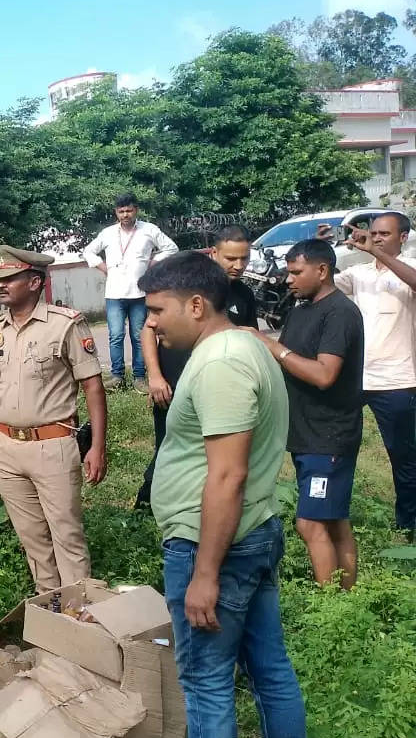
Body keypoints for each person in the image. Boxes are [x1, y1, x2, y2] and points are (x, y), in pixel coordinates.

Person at [122, 251, 310, 738]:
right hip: (252, 533)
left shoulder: (223, 363)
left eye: (157, 310)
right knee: (270, 671)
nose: (149, 324)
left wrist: (205, 570)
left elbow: (226, 475)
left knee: (206, 680)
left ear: (197, 305)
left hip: (219, 544)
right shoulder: (245, 346)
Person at [0, 246, 108, 591]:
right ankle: (52, 608)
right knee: (33, 540)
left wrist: (98, 448)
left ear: (33, 282)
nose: (0, 286)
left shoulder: (64, 325)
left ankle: (81, 616)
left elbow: (93, 387)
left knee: (67, 536)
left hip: (53, 445)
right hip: (8, 448)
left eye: (9, 279)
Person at [247, 239, 364, 590]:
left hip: (329, 436)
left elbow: (324, 374)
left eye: (296, 272)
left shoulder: (340, 313)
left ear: (322, 270)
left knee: (310, 523)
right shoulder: (302, 309)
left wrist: (272, 346)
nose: (288, 279)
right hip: (306, 434)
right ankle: (347, 597)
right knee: (333, 520)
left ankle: (330, 607)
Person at [136, 227, 261, 507]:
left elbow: (250, 339)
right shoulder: (185, 288)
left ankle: (205, 504)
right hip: (173, 386)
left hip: (217, 391)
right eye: (231, 258)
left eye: (244, 258)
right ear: (214, 253)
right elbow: (148, 330)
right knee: (168, 448)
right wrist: (154, 376)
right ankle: (148, 503)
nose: (238, 266)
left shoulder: (244, 295)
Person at [336, 213, 416, 540]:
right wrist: (324, 250)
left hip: (398, 380)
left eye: (385, 234)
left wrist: (378, 253)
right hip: (356, 380)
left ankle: (408, 525)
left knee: (405, 459)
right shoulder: (359, 273)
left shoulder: (408, 266)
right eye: (374, 234)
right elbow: (322, 283)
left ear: (404, 237)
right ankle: (333, 515)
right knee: (336, 447)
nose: (377, 238)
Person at [82, 193, 179, 393]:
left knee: (139, 335)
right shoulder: (108, 233)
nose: (125, 214)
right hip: (114, 293)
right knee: (116, 335)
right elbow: (88, 251)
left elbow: (171, 248)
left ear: (136, 210)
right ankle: (117, 376)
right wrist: (104, 268)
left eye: (129, 210)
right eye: (121, 211)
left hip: (140, 294)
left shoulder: (148, 230)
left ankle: (139, 377)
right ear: (116, 213)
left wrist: (151, 264)